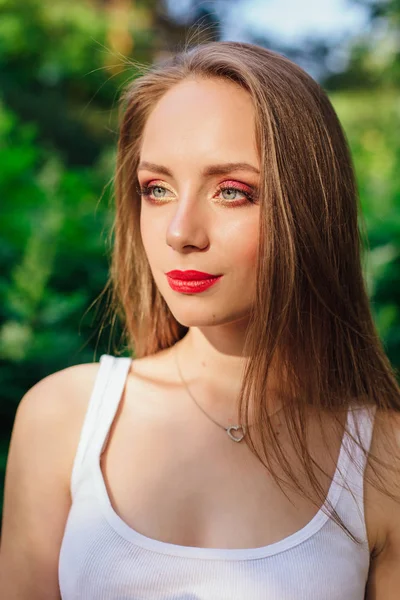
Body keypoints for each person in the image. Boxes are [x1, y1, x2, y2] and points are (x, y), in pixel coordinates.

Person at [1, 40, 400, 600]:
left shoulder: (384, 457)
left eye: (232, 192)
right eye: (156, 189)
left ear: (310, 208)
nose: (179, 231)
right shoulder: (62, 419)